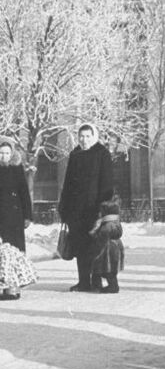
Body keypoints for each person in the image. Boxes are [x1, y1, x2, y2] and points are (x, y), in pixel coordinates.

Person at [58, 123, 114, 292]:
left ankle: (96, 281)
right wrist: (64, 207)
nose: (84, 139)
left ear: (94, 136)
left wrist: (103, 209)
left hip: (94, 209)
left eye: (88, 136)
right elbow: (67, 183)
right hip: (76, 210)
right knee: (79, 246)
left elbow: (107, 183)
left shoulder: (102, 153)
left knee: (95, 246)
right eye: (81, 136)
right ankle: (83, 281)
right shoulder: (75, 154)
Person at [0, 140, 33, 300]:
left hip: (14, 217)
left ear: (11, 154)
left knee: (14, 252)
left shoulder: (17, 169)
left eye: (6, 153)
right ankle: (4, 286)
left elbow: (24, 192)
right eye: (1, 153)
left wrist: (27, 216)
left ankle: (14, 288)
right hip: (1, 218)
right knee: (2, 253)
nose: (3, 156)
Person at [89, 199, 125, 293]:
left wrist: (93, 233)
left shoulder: (106, 226)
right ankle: (103, 284)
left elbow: (101, 237)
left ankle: (111, 286)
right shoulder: (116, 223)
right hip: (115, 247)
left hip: (106, 250)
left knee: (104, 268)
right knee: (111, 270)